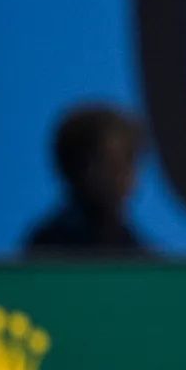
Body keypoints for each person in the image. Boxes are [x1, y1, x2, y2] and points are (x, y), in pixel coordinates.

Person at [24, 103, 151, 257]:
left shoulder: (140, 251)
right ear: (79, 169)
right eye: (113, 165)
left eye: (131, 162)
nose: (127, 177)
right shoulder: (47, 246)